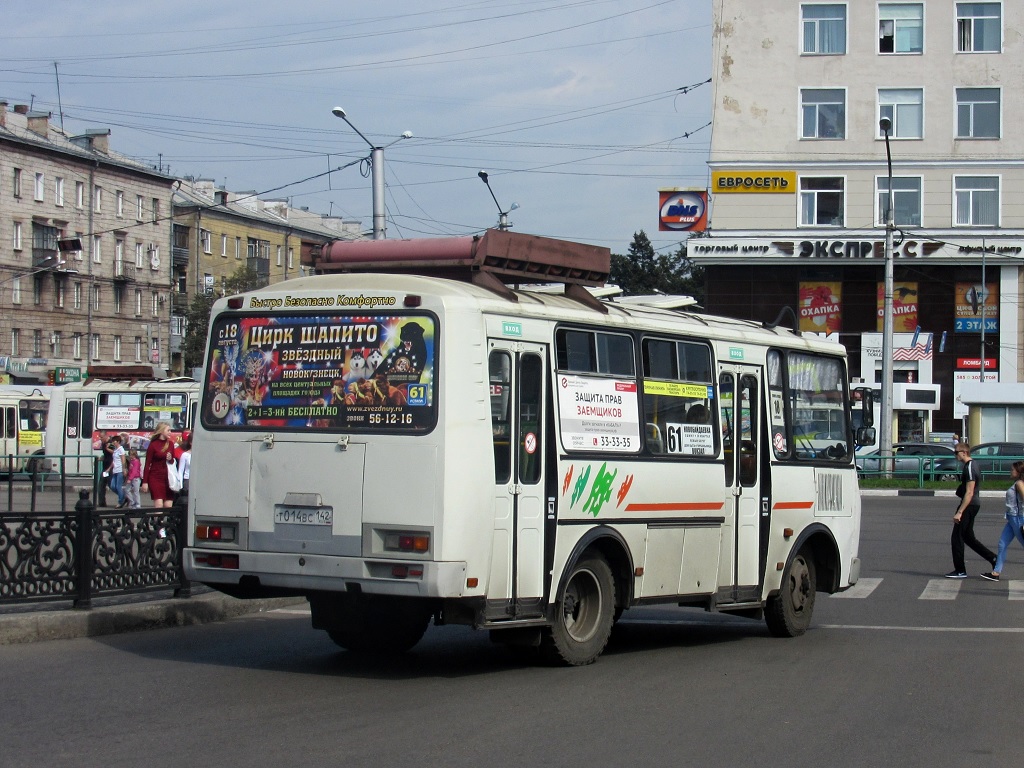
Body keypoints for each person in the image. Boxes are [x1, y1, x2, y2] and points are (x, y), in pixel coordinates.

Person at [946, 442, 997, 578]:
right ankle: (993, 559)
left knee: (957, 538)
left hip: (969, 505)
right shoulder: (972, 465)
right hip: (972, 504)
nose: (955, 455)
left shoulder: (969, 467)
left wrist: (960, 511)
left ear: (964, 452)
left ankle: (960, 570)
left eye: (956, 452)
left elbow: (969, 492)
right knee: (968, 538)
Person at [980, 461, 1024, 581]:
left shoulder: (1019, 483)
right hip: (1011, 519)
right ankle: (996, 572)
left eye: (1012, 470)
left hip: (1018, 518)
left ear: (1019, 472)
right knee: (1002, 544)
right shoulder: (1017, 483)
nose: (1010, 471)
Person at [142, 422, 176, 509]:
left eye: (170, 430)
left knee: (168, 505)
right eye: (168, 430)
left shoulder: (171, 444)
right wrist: (145, 482)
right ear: (161, 431)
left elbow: (172, 462)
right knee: (159, 505)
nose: (170, 432)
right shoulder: (153, 445)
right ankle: (157, 521)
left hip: (168, 478)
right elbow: (147, 465)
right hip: (155, 477)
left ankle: (163, 521)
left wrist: (170, 458)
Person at [109, 435, 127, 508]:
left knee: (118, 486)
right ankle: (124, 497)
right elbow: (114, 460)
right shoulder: (116, 450)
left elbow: (123, 459)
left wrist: (124, 469)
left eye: (114, 441)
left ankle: (120, 501)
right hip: (115, 470)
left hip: (120, 470)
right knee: (112, 486)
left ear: (118, 442)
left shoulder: (121, 449)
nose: (113, 442)